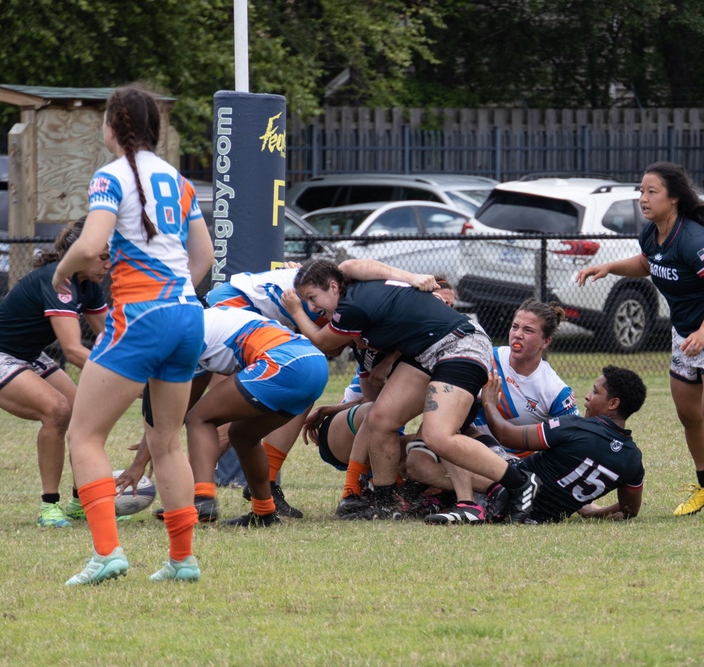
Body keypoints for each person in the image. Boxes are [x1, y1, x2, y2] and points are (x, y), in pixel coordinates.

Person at [54, 85, 214, 585]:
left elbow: (91, 244)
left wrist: (61, 273)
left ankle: (107, 554)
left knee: (84, 435)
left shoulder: (110, 177)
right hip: (188, 314)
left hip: (142, 316)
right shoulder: (179, 180)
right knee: (166, 443)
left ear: (111, 127)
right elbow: (204, 257)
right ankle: (183, 560)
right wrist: (174, 292)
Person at [285, 258, 540, 523]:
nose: (313, 307)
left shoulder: (352, 306)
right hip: (424, 351)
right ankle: (384, 502)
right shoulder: (349, 281)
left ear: (334, 287)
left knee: (438, 436)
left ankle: (520, 482)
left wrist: (295, 309)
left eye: (313, 298)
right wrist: (410, 277)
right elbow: (351, 265)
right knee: (380, 419)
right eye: (307, 302)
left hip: (459, 343)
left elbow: (323, 342)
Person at [574, 162, 704, 523]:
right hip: (685, 337)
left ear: (674, 198)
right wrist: (607, 267)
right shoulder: (652, 234)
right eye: (641, 191)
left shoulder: (694, 238)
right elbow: (646, 262)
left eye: (652, 191)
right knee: (688, 416)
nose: (643, 198)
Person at [205, 260, 438, 518]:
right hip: (236, 305)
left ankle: (261, 487)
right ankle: (193, 489)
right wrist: (412, 276)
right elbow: (348, 270)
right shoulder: (349, 297)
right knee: (216, 414)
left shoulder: (371, 325)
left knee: (298, 388)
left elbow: (367, 392)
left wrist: (390, 359)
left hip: (247, 310)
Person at [120, 306, 329, 527]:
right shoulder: (196, 328)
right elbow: (179, 408)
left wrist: (140, 462)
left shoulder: (183, 332)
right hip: (314, 364)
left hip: (284, 362)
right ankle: (264, 513)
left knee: (199, 419)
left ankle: (201, 498)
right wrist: (139, 462)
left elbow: (179, 409)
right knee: (242, 435)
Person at [0, 218, 110, 529]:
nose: (108, 264)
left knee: (87, 413)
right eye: (103, 256)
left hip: (26, 356)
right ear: (81, 253)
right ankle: (49, 507)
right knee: (57, 410)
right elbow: (72, 350)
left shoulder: (89, 286)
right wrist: (124, 380)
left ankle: (80, 501)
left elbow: (110, 340)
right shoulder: (58, 281)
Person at [410, 300, 580, 525]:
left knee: (430, 459)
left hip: (512, 464)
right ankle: (490, 493)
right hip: (465, 447)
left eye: (528, 330)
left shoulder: (554, 389)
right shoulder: (485, 358)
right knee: (412, 463)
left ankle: (486, 494)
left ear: (545, 341)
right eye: (515, 326)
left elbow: (574, 444)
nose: (517, 335)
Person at [481, 365, 647, 523]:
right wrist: (594, 513)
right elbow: (629, 509)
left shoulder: (576, 427)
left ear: (613, 403)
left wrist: (489, 404)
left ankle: (465, 500)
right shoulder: (632, 459)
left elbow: (505, 435)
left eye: (595, 392)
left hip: (500, 494)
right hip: (538, 519)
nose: (588, 396)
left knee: (460, 442)